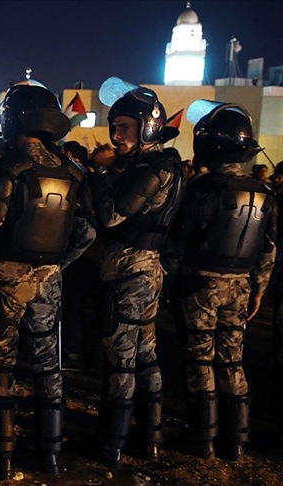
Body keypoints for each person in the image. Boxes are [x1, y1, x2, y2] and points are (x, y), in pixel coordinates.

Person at [0, 85, 96, 478]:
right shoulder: (72, 170)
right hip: (49, 279)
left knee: (2, 364)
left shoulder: (11, 168)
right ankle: (51, 454)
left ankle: (1, 456)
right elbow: (87, 232)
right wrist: (59, 263)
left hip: (7, 276)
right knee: (48, 364)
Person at [170, 103, 276, 461]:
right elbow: (269, 247)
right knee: (232, 359)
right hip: (241, 285)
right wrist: (259, 288)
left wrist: (174, 278)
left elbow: (180, 239)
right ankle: (236, 441)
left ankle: (203, 438)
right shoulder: (264, 190)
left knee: (200, 358)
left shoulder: (202, 188)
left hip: (200, 284)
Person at [93, 85, 184, 468]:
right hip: (148, 269)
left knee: (122, 357)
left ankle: (113, 445)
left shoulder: (150, 169)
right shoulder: (163, 164)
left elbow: (111, 215)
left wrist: (100, 172)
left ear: (148, 127)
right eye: (115, 126)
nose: (117, 135)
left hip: (130, 269)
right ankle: (150, 439)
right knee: (146, 355)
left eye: (125, 127)